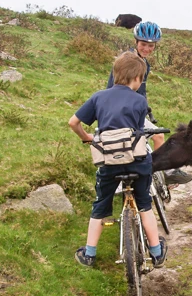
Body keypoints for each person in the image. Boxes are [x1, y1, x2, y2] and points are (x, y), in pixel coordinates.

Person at [69, 51, 167, 268]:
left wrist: (86, 138)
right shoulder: (140, 100)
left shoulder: (98, 97)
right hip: (138, 162)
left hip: (108, 163)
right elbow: (139, 130)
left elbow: (73, 122)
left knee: (100, 205)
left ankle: (89, 254)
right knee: (144, 204)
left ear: (114, 75)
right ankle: (157, 252)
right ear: (137, 79)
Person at [107, 21, 192, 186]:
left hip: (131, 110)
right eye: (143, 44)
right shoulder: (130, 61)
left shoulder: (143, 62)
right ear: (136, 42)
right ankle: (165, 173)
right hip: (123, 111)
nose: (147, 49)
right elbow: (117, 88)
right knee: (158, 136)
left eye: (151, 46)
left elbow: (140, 90)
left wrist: (144, 108)